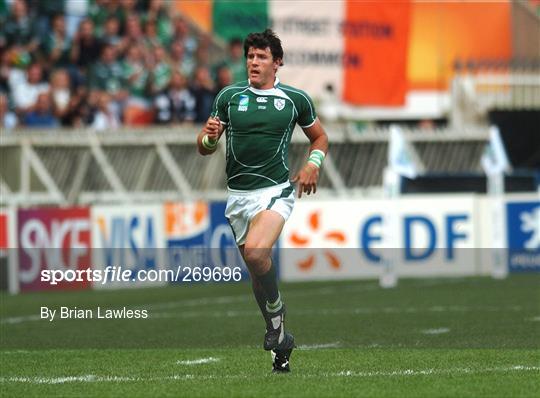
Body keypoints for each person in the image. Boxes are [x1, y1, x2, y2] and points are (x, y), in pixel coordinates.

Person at [196, 29, 328, 373]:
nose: (254, 62)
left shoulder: (294, 99)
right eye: (250, 57)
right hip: (238, 197)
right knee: (256, 272)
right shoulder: (228, 96)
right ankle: (279, 337)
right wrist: (209, 139)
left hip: (275, 192)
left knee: (257, 252)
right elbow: (204, 145)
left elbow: (320, 137)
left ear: (277, 62)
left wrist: (312, 166)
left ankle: (277, 313)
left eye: (261, 57)